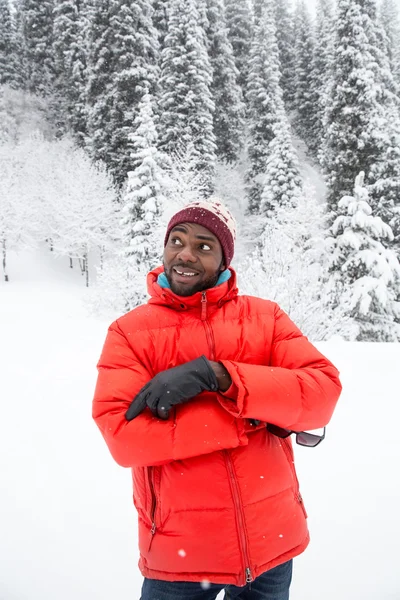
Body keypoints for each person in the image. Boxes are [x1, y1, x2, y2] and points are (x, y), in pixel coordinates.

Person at [92, 197, 342, 600]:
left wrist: (221, 376)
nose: (185, 254)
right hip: (181, 554)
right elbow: (124, 436)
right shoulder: (130, 333)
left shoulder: (267, 318)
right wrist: (251, 416)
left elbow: (323, 392)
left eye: (204, 246)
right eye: (177, 240)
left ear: (224, 258)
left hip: (271, 543)